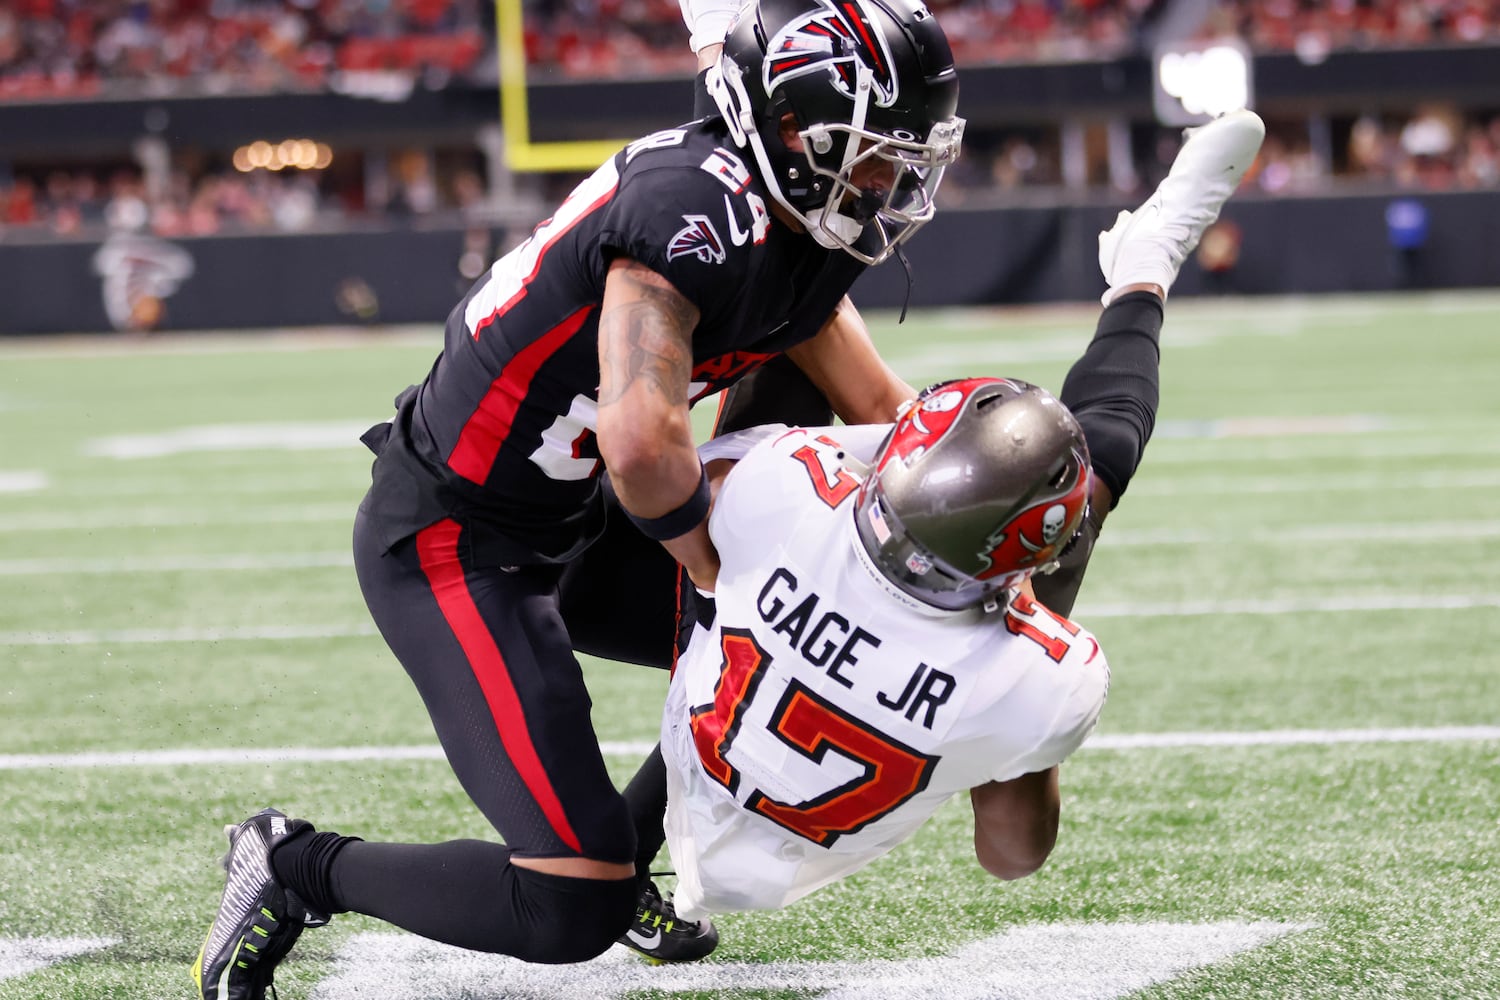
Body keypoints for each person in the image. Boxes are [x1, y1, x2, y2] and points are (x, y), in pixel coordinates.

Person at [191, 1, 964, 997]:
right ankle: (293, 864)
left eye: (903, 158)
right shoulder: (694, 210)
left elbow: (878, 414)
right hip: (454, 542)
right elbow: (644, 448)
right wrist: (733, 588)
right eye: (866, 155)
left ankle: (633, 854)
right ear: (788, 132)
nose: (888, 184)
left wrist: (968, 525)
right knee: (569, 904)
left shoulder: (800, 229)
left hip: (579, 520)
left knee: (813, 646)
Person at [649, 108, 1269, 920]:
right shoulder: (1041, 675)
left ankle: (753, 121)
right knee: (1069, 484)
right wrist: (1021, 718)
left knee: (794, 342)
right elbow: (1010, 856)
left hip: (711, 749)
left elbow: (695, 484)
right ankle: (1145, 266)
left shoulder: (779, 496)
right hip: (831, 788)